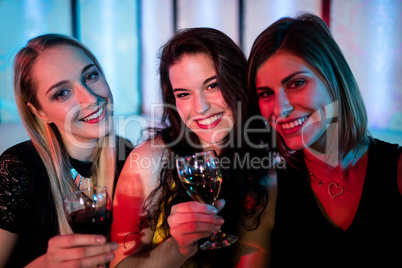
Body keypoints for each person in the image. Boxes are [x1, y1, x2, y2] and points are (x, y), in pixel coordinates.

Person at [247, 13, 402, 267]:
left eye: (296, 83)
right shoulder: (269, 185)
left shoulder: (396, 169)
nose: (280, 108)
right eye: (266, 93)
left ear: (333, 79)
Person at [111, 27, 274, 267]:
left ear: (237, 80)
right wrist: (178, 248)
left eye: (212, 86)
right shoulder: (148, 161)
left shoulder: (263, 160)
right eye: (184, 94)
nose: (200, 108)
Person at [0, 34, 133, 267]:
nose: (90, 98)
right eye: (62, 93)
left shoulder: (129, 155)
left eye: (91, 76)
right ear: (39, 112)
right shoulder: (17, 169)